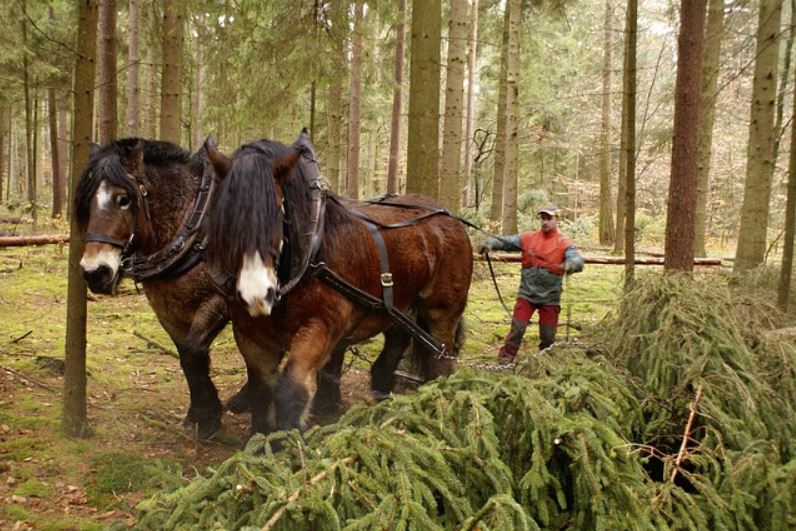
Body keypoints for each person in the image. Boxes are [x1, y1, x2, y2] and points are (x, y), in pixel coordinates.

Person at [478, 203, 584, 363]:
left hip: (550, 298)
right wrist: (491, 243)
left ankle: (545, 362)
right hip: (526, 295)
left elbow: (577, 259)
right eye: (543, 218)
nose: (545, 222)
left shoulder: (564, 243)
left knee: (548, 337)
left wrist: (571, 264)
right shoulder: (528, 238)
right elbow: (507, 242)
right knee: (517, 329)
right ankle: (505, 359)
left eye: (549, 218)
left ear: (557, 220)